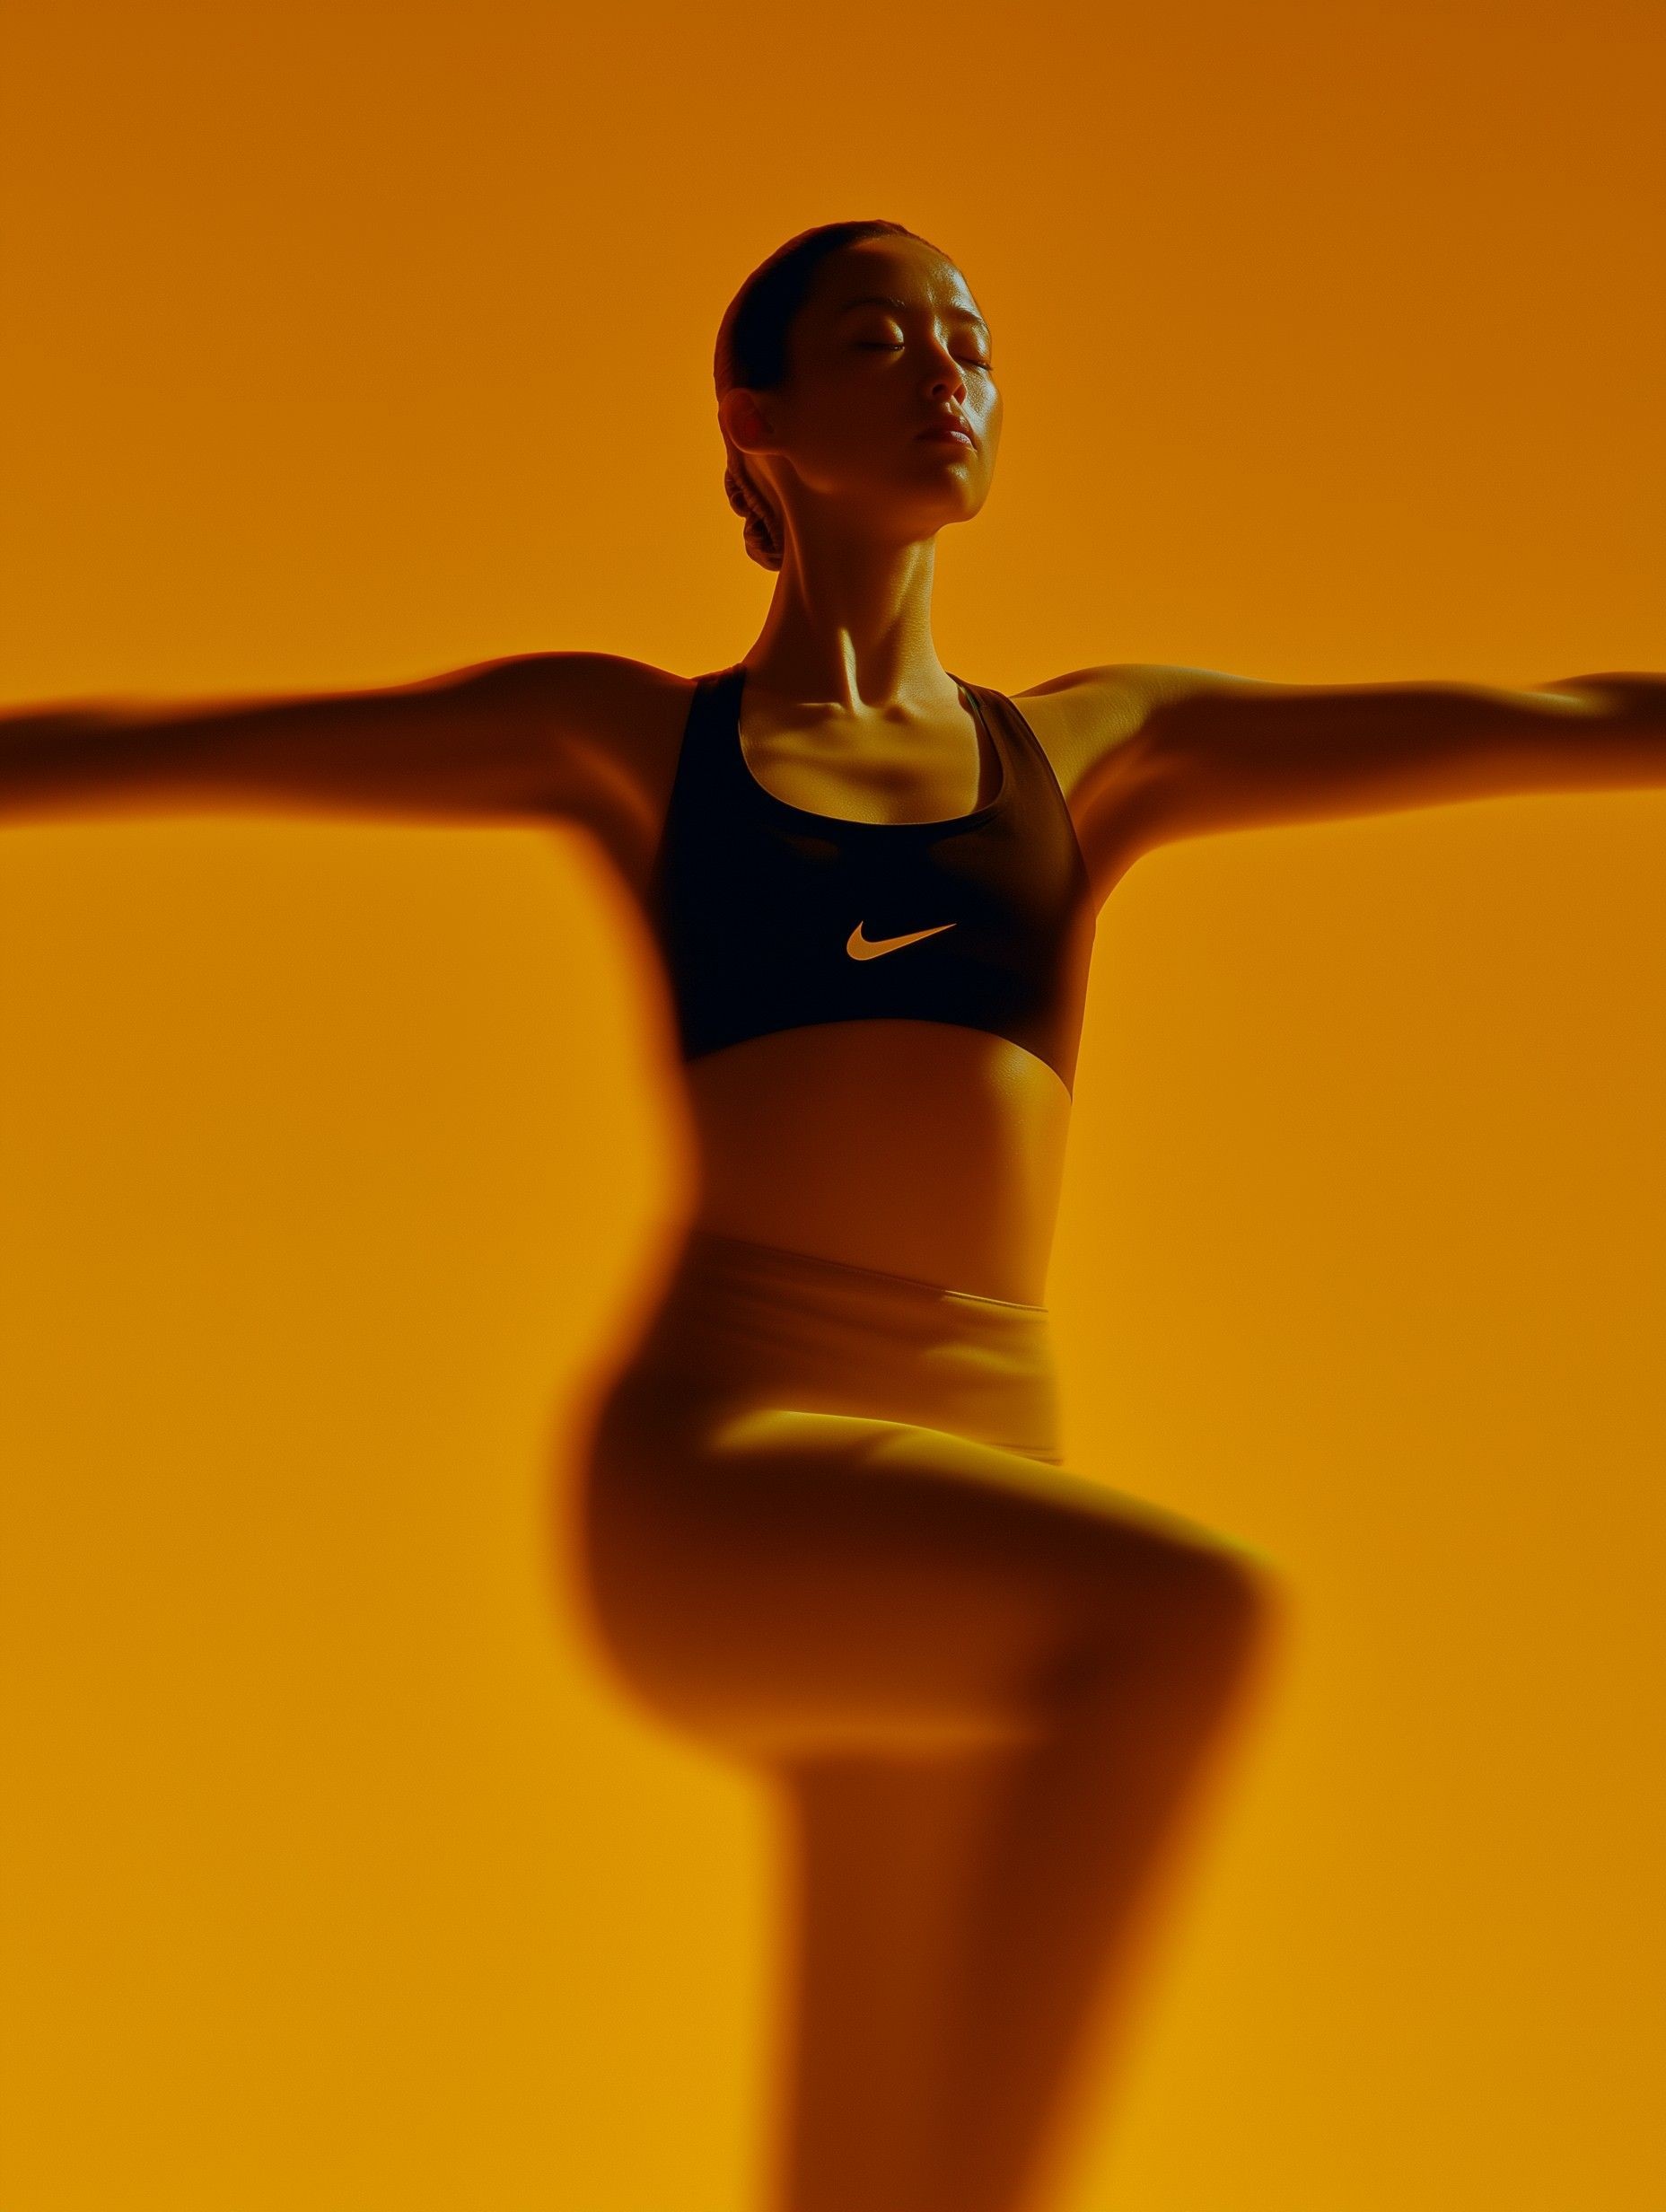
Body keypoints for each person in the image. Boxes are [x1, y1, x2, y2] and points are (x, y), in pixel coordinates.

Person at [3, 215, 1662, 2212]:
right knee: (1182, 1623)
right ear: (757, 424)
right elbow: (166, 751)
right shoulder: (637, 744)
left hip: (953, 1518)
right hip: (729, 1482)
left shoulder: (1083, 752)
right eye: (883, 338)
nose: (946, 365)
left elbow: (1552, 714)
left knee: (870, 2181)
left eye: (970, 336)